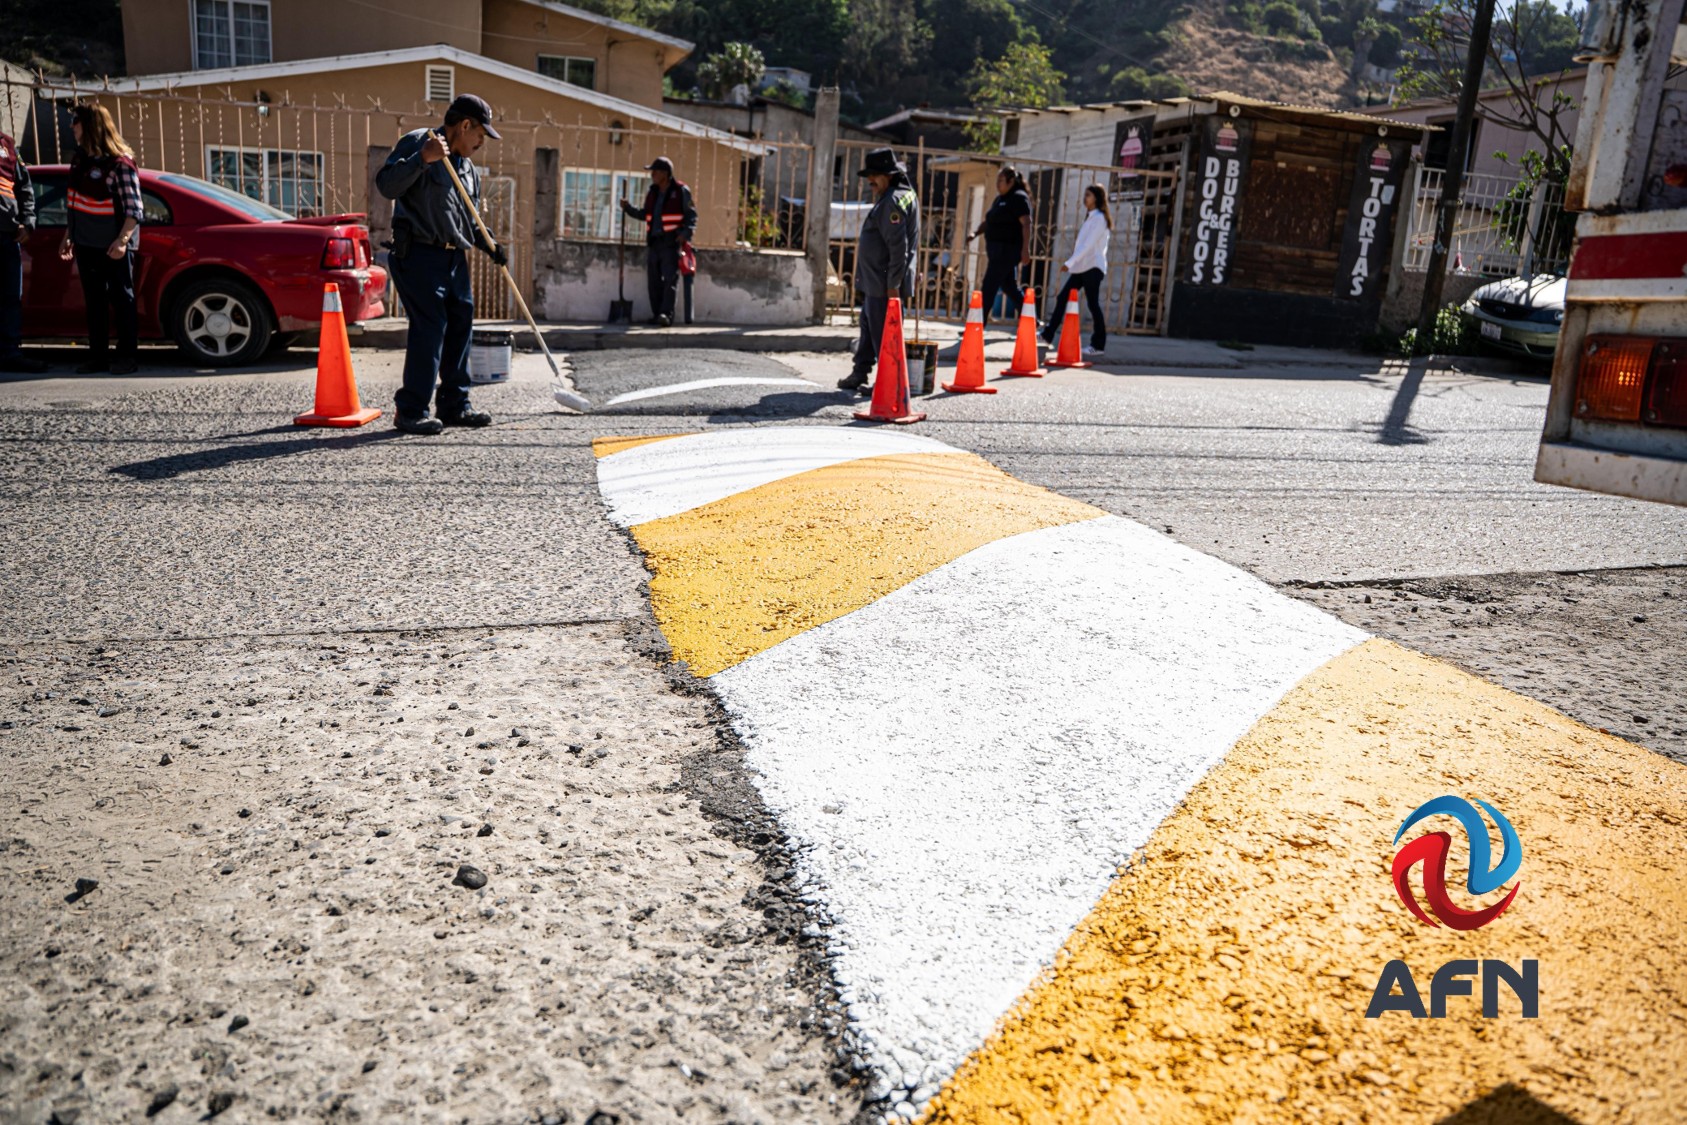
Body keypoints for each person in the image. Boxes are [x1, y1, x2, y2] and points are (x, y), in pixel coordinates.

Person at [375, 93, 507, 435]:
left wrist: (489, 244)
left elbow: (469, 219)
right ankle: (411, 410)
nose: (481, 142)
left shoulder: (468, 168)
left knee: (461, 325)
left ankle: (454, 404)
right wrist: (423, 159)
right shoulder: (420, 142)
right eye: (480, 134)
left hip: (453, 257)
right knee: (431, 327)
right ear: (464, 125)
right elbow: (387, 186)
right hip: (418, 254)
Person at [58, 105, 142, 375]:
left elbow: (134, 209)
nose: (72, 127)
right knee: (94, 302)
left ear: (91, 126)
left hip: (113, 246)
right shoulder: (80, 160)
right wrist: (69, 235)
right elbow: (74, 202)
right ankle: (98, 357)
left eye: (76, 121)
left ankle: (127, 357)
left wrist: (122, 241)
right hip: (85, 244)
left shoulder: (120, 164)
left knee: (122, 300)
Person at [838, 148, 919, 394]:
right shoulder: (901, 194)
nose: (870, 180)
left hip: (884, 283)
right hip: (876, 281)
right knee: (868, 328)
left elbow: (898, 247)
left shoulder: (892, 201)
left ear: (889, 175)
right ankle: (860, 371)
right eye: (869, 175)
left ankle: (888, 382)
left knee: (884, 335)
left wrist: (893, 285)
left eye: (875, 175)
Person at [619, 157, 695, 328]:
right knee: (653, 281)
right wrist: (628, 208)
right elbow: (645, 214)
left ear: (665, 174)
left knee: (669, 280)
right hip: (654, 242)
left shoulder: (681, 191)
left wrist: (685, 234)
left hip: (671, 242)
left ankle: (666, 315)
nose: (652, 174)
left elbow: (691, 215)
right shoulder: (652, 192)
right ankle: (657, 314)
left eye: (655, 171)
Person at [1043, 183, 1111, 356]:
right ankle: (1047, 335)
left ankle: (1098, 345)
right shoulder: (1090, 217)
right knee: (1062, 297)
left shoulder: (1099, 219)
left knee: (1092, 304)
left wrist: (1070, 262)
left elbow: (1088, 246)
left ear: (1096, 198)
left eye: (1088, 195)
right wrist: (1074, 264)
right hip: (1082, 267)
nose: (1084, 198)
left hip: (1093, 267)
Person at [0, 129, 46, 373]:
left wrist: (28, 221)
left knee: (10, 297)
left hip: (8, 234)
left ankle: (10, 353)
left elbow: (25, 188)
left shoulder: (7, 145)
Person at [966, 165, 1031, 326]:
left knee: (989, 285)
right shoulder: (1000, 199)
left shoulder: (1018, 198)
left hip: (1007, 250)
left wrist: (1025, 249)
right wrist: (975, 233)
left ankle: (977, 324)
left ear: (1011, 181)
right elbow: (989, 221)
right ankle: (1031, 318)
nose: (997, 184)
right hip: (996, 251)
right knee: (1008, 287)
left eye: (1000, 180)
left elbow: (1026, 224)